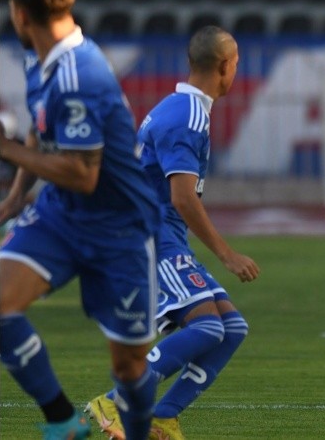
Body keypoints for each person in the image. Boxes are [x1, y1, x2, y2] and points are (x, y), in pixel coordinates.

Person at [0, 0, 161, 439]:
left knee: (128, 368)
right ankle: (64, 423)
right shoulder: (44, 61)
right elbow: (39, 129)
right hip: (61, 216)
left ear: (19, 13)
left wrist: (4, 149)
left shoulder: (78, 73)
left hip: (119, 228)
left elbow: (82, 173)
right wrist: (14, 201)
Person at [86, 26, 259, 440]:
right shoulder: (189, 117)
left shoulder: (178, 107)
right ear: (223, 66)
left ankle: (162, 417)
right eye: (236, 62)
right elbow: (182, 198)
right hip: (148, 234)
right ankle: (116, 400)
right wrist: (226, 254)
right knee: (208, 328)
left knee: (232, 328)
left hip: (160, 233)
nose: (237, 69)